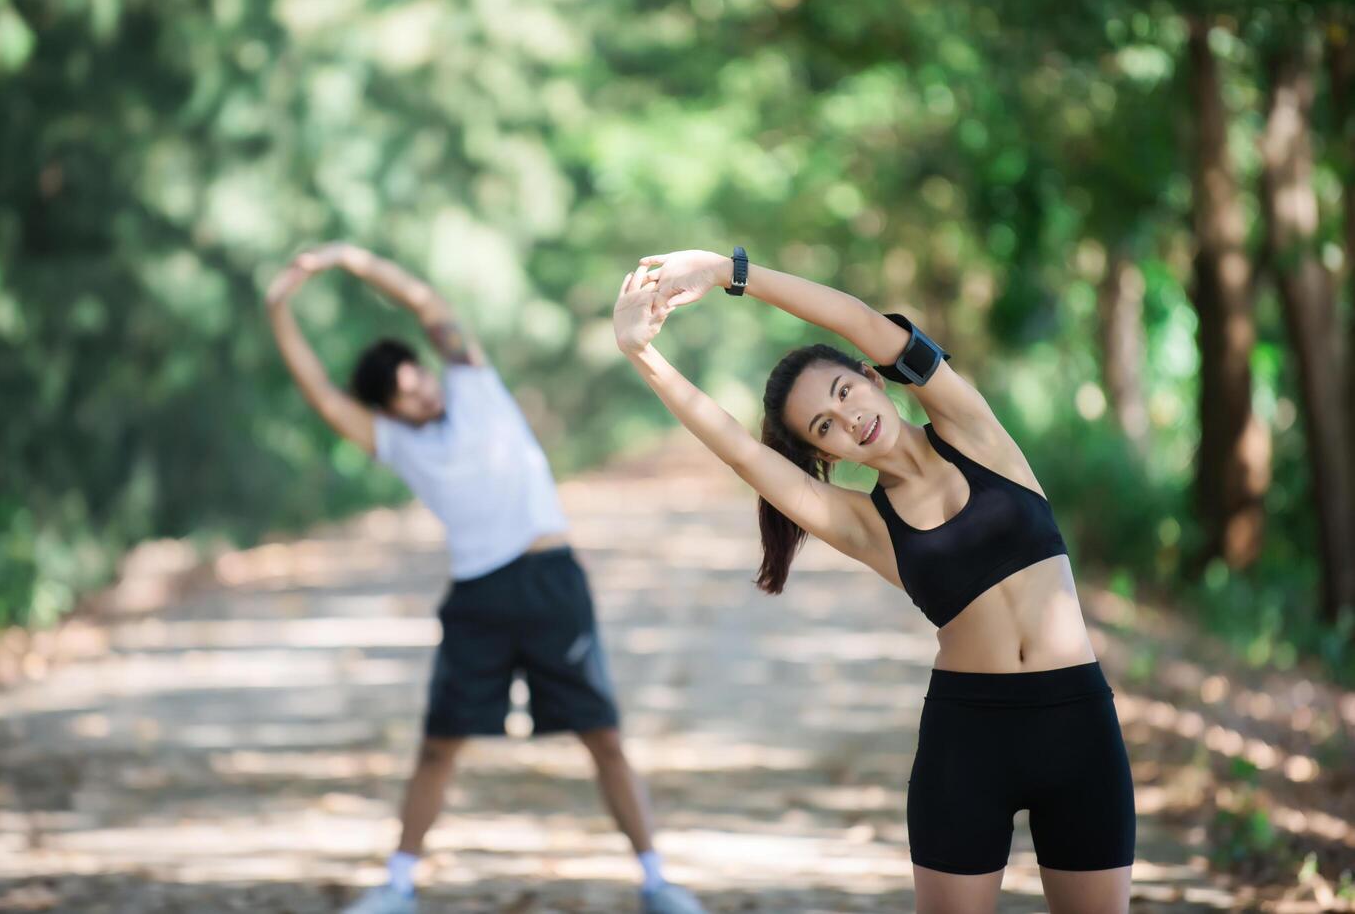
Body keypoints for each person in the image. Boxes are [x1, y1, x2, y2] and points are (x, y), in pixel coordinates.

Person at [612, 249, 1135, 914]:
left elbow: (859, 319)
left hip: (1076, 723)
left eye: (843, 392)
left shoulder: (972, 431)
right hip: (968, 739)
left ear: (870, 376)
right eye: (823, 427)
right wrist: (643, 357)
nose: (848, 418)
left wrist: (727, 272)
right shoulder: (863, 525)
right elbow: (743, 452)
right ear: (823, 455)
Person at [265, 243, 708, 914]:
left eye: (418, 377)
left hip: (552, 582)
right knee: (439, 745)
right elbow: (320, 393)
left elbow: (423, 301)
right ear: (387, 410)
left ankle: (655, 880)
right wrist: (279, 310)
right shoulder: (396, 443)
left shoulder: (471, 379)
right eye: (403, 395)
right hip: (478, 596)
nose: (419, 392)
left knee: (604, 737)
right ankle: (398, 884)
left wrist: (350, 259)